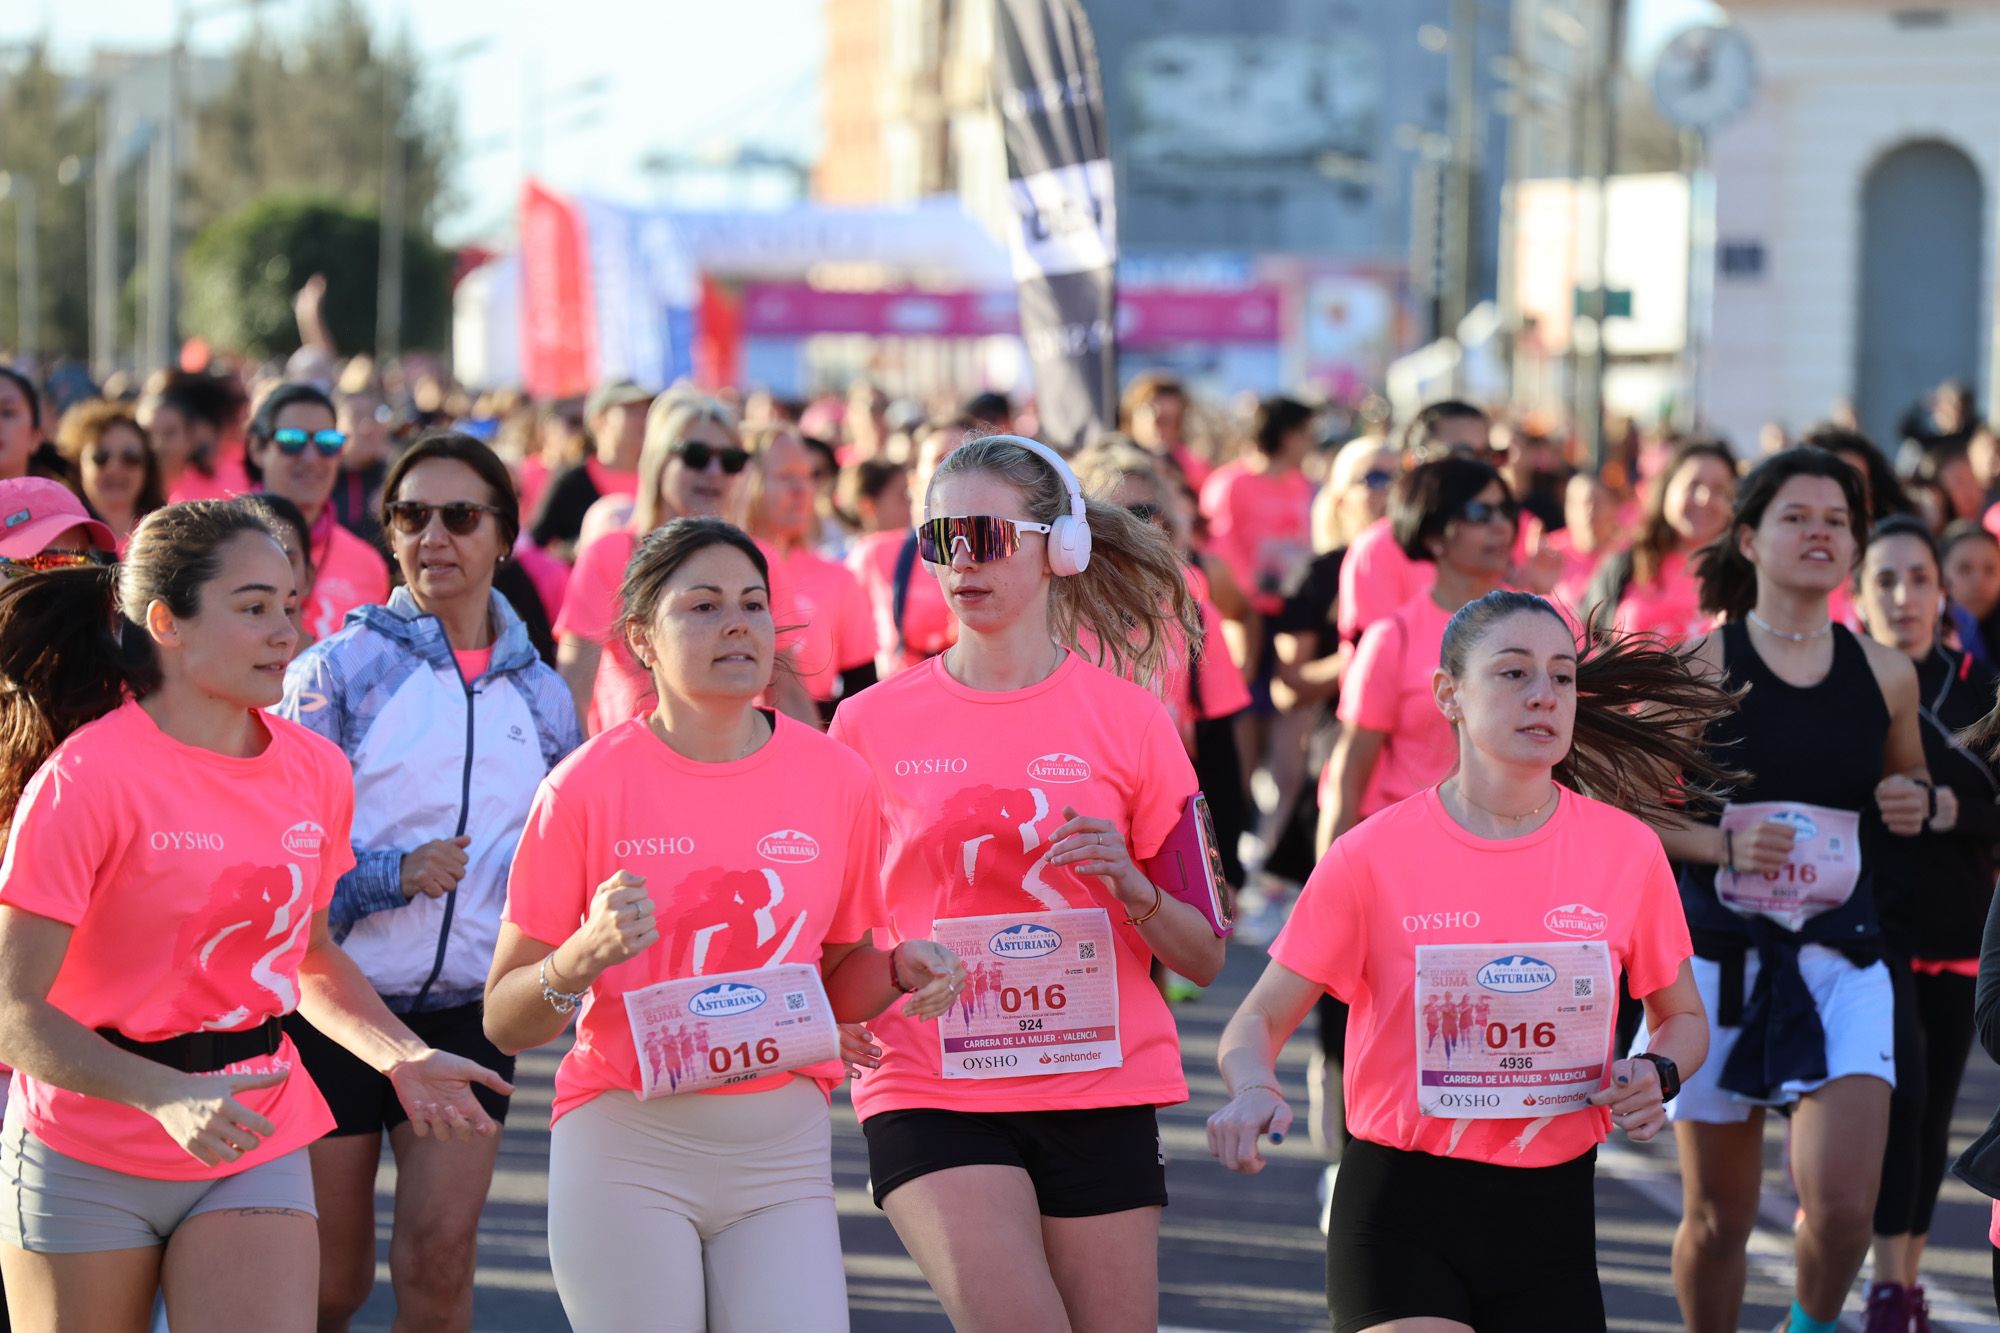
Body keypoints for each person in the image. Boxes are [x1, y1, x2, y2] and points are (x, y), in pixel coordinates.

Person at [0, 500, 509, 1330]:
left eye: (289, 604)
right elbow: (12, 1011)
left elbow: (308, 957)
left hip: (253, 1125)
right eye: (253, 607)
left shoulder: (315, 770)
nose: (286, 631)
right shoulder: (86, 779)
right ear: (167, 621)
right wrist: (166, 1096)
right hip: (88, 1140)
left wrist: (403, 1058)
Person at [482, 517, 964, 1331]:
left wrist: (898, 966)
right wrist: (577, 959)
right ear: (640, 636)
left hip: (782, 1153)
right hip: (627, 1147)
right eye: (702, 605)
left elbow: (837, 981)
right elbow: (503, 1017)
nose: (737, 623)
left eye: (752, 603)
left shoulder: (837, 778)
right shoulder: (583, 789)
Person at [1208, 589, 1728, 1332]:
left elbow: (1680, 1018)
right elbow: (1256, 1017)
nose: (1543, 695)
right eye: (1513, 673)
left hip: (1551, 1216)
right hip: (1400, 1206)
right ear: (1448, 695)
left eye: (1561, 676)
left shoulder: (1627, 851)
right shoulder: (1370, 854)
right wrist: (1252, 1086)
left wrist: (1657, 1071)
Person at [828, 434, 1226, 1333]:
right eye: (941, 537)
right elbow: (832, 938)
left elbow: (1202, 953)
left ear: (1061, 546)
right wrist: (864, 984)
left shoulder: (1133, 720)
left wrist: (1130, 884)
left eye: (988, 534)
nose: (962, 559)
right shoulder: (866, 724)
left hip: (1098, 1081)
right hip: (932, 1084)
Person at [275, 434, 581, 1332]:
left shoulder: (543, 696)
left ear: (502, 536)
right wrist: (387, 877)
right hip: (339, 1006)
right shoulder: (334, 673)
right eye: (411, 515)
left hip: (467, 1012)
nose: (434, 536)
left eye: (460, 515)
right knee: (329, 1286)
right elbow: (285, 873)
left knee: (441, 1265)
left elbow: (560, 860)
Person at [1646, 447, 1943, 1333]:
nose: (1820, 533)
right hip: (1720, 962)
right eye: (1797, 517)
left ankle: (1810, 1326)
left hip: (1844, 955)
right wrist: (1719, 840)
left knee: (1847, 1204)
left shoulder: (1886, 672)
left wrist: (1910, 797)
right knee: (1719, 1218)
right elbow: (1619, 810)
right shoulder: (1701, 665)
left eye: (1837, 520)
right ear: (1749, 537)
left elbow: (1911, 790)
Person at [1851, 516, 2000, 1331]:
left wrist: (1948, 806)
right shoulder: (1837, 682)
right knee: (1889, 1110)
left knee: (1931, 1112)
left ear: (1942, 592)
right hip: (1855, 936)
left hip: (1952, 931)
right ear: (1857, 591)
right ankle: (1873, 1272)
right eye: (1885, 579)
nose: (1904, 596)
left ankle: (1899, 1283)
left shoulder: (1978, 685)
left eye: (1919, 579)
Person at [1321, 457, 1518, 849]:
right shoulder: (1392, 638)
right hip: (1409, 849)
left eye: (1506, 511)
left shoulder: (1540, 625)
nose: (1501, 525)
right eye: (1480, 512)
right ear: (1433, 535)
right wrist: (1328, 883)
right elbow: (1350, 771)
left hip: (1512, 846)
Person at [553, 393, 747, 734]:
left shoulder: (754, 562)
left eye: (730, 460)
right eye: (696, 455)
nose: (714, 472)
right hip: (627, 767)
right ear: (658, 461)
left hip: (730, 766)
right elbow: (573, 688)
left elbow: (784, 691)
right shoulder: (609, 554)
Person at [739, 424, 878, 723]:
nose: (802, 489)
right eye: (785, 476)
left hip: (811, 741)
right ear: (746, 481)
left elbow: (861, 692)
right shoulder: (719, 573)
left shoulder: (838, 578)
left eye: (808, 476)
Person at [246, 382, 391, 643]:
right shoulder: (222, 546)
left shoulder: (368, 565)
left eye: (327, 442)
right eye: (292, 441)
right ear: (257, 448)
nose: (311, 458)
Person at [1337, 400, 1491, 643]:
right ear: (1414, 460)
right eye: (1460, 454)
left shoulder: (1512, 533)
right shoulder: (1379, 547)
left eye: (1488, 455)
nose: (1476, 467)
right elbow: (1380, 657)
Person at [846, 416, 970, 678]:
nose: (953, 469)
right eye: (941, 459)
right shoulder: (875, 555)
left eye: (965, 458)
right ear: (913, 482)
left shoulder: (1010, 550)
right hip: (903, 705)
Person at [1582, 437, 1736, 640]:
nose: (1704, 498)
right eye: (1693, 484)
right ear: (1666, 490)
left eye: (1719, 490)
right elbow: (1579, 637)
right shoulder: (1625, 563)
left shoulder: (1744, 576)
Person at [527, 381, 651, 560]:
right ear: (599, 419)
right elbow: (535, 546)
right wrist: (577, 550)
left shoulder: (661, 479)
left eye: (647, 409)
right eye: (631, 409)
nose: (643, 418)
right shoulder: (572, 482)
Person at [54, 399, 167, 551]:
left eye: (130, 458)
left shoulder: (168, 538)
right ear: (78, 465)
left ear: (148, 468)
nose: (115, 468)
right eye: (101, 457)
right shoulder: (58, 540)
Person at [141, 371, 243, 503]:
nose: (157, 444)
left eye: (170, 433)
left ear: (191, 437)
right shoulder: (131, 490)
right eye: (147, 433)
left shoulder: (216, 495)